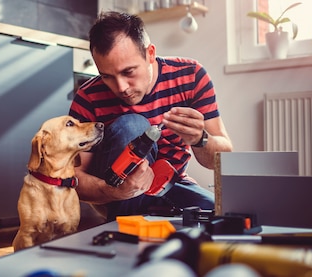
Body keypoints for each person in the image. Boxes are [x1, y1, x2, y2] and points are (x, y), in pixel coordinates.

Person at [69, 11, 233, 221]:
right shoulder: (88, 97)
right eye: (107, 76)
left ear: (150, 54)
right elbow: (74, 177)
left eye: (128, 72)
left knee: (222, 217)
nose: (121, 88)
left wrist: (200, 139)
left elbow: (222, 159)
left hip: (170, 184)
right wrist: (113, 192)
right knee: (133, 126)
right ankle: (124, 229)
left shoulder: (190, 76)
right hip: (115, 192)